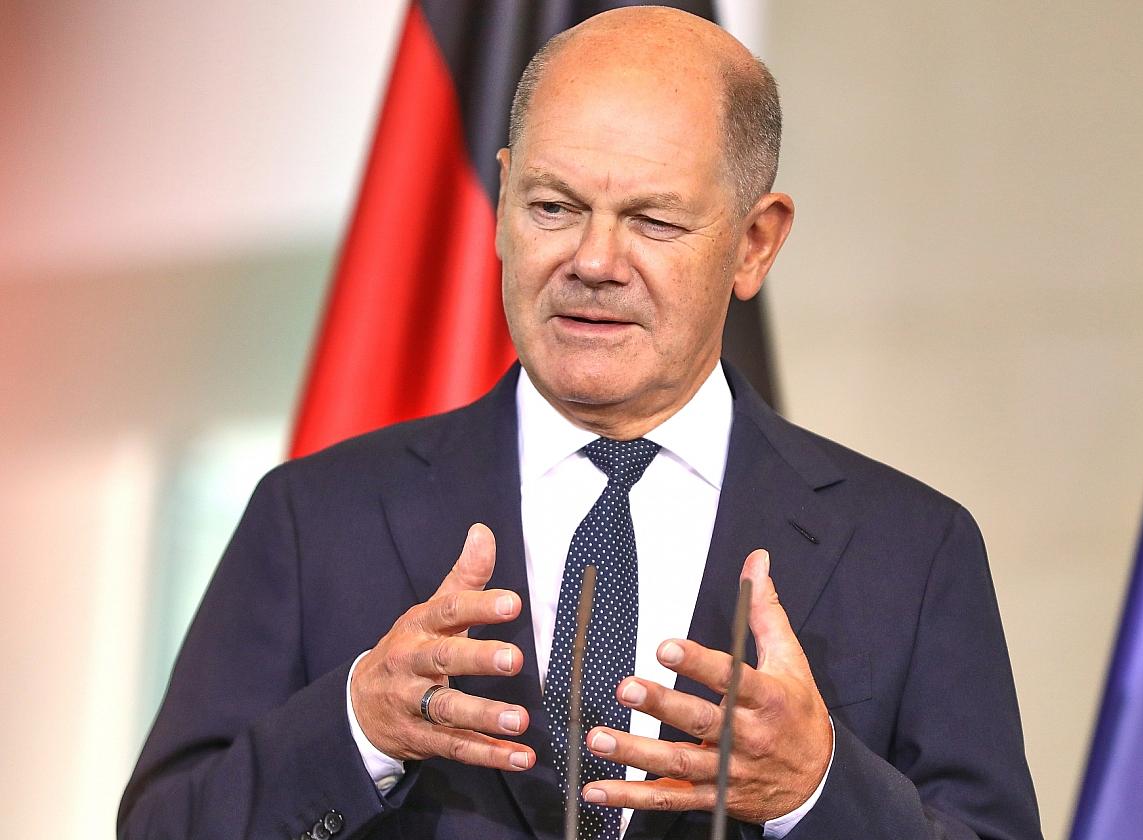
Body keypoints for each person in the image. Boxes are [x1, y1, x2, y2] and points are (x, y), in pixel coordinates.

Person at [118, 7, 1041, 840]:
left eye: (653, 221)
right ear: (502, 203)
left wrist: (816, 791)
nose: (594, 261)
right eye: (554, 207)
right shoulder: (316, 517)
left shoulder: (910, 550)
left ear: (755, 242)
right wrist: (357, 726)